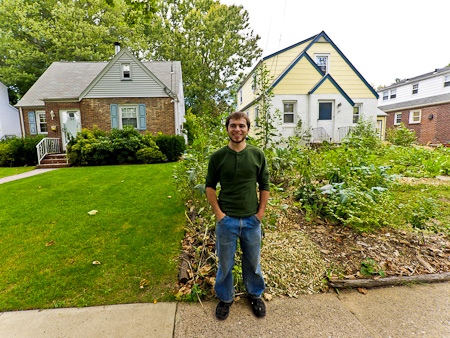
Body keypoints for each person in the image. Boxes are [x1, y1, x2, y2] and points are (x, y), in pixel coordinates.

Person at [205, 111, 270, 320]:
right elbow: (209, 186)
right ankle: (225, 299)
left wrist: (259, 214)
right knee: (225, 264)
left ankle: (255, 295)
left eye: (242, 126)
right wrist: (219, 215)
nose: (237, 129)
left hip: (252, 221)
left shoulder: (257, 154)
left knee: (252, 262)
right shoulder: (218, 157)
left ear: (247, 129)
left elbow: (265, 185)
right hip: (227, 221)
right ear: (227, 129)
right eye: (233, 125)